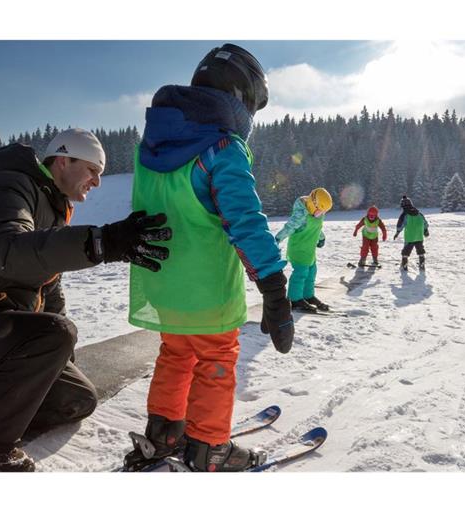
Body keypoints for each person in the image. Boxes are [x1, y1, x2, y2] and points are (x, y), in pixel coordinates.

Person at [0, 128, 172, 472]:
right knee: (54, 333)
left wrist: (57, 363)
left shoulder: (52, 208)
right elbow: (7, 250)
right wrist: (103, 242)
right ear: (64, 160)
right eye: (92, 170)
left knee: (77, 400)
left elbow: (49, 291)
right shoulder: (5, 186)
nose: (97, 182)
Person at [123, 44, 293, 472]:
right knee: (216, 358)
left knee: (175, 353)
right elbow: (246, 222)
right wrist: (273, 287)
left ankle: (163, 433)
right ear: (238, 98)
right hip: (208, 291)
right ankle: (208, 447)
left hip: (162, 285)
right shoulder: (221, 147)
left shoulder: (151, 147)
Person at [276, 187, 334, 313]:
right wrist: (277, 239)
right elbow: (289, 228)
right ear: (313, 204)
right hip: (298, 249)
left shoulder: (316, 214)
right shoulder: (300, 216)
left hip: (309, 250)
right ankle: (295, 299)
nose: (320, 214)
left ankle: (308, 296)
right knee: (301, 273)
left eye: (323, 212)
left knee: (312, 271)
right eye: (319, 211)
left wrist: (321, 238)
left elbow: (316, 228)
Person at [393, 195, 429, 270]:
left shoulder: (405, 215)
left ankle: (404, 264)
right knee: (420, 249)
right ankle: (422, 263)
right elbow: (424, 222)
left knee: (406, 251)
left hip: (409, 237)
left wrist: (397, 232)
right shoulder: (419, 213)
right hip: (419, 236)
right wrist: (425, 230)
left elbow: (400, 224)